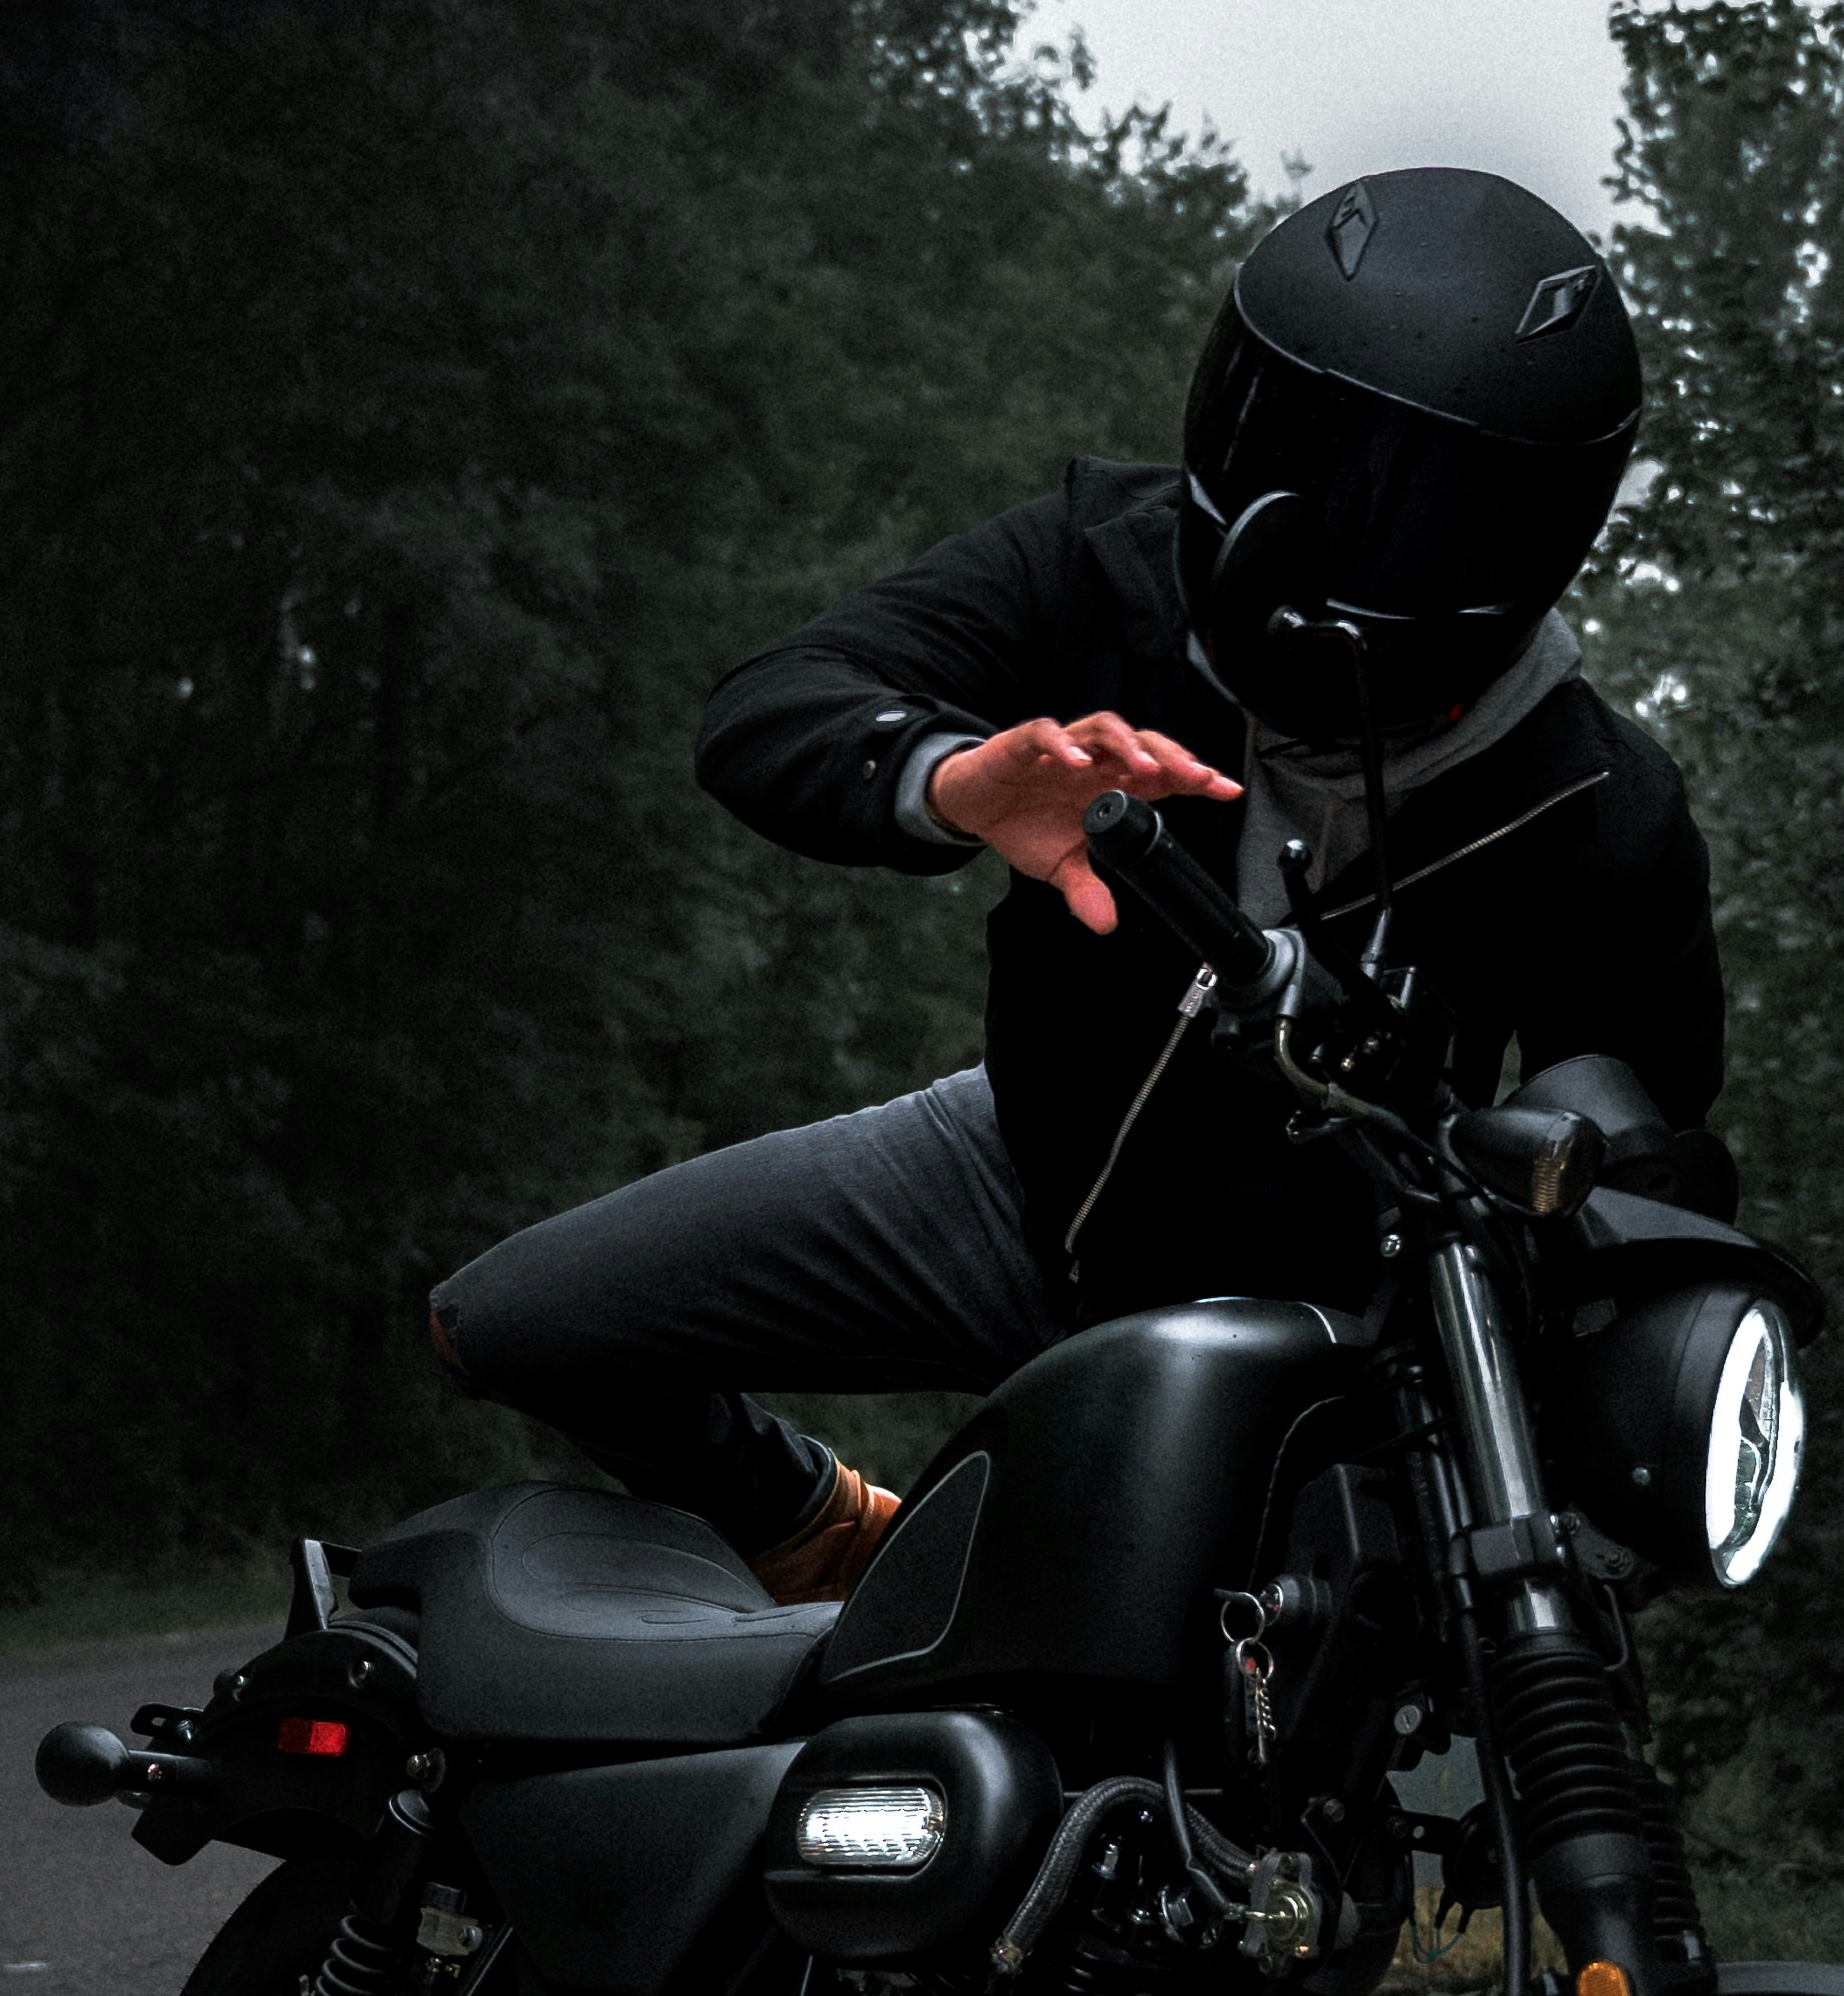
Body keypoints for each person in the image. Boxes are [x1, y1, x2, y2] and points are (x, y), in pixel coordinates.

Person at [428, 164, 1727, 1600]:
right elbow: (772, 706)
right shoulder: (1105, 561)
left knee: (1330, 1687)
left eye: (1412, 500)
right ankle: (817, 1528)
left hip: (1342, 1324)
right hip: (1015, 1175)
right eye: (1297, 442)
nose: (1325, 517)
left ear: (1524, 534)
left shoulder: (1597, 804)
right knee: (512, 1319)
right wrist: (949, 779)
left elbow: (1647, 1170)